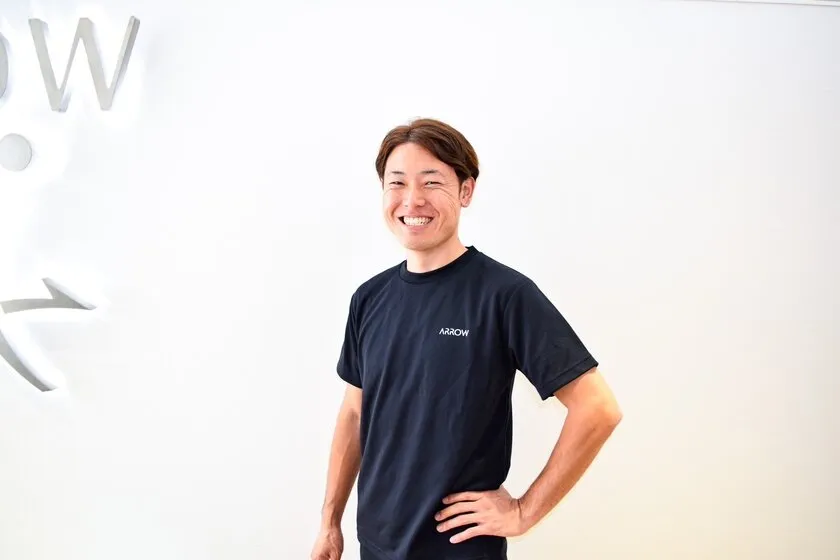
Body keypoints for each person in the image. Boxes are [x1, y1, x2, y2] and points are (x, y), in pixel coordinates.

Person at [310, 118, 622, 560]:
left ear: (466, 190)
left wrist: (523, 512)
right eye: (397, 182)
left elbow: (598, 408)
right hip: (375, 546)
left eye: (431, 181)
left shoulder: (504, 295)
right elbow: (355, 414)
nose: (412, 199)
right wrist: (330, 522)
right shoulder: (370, 298)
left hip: (458, 550)